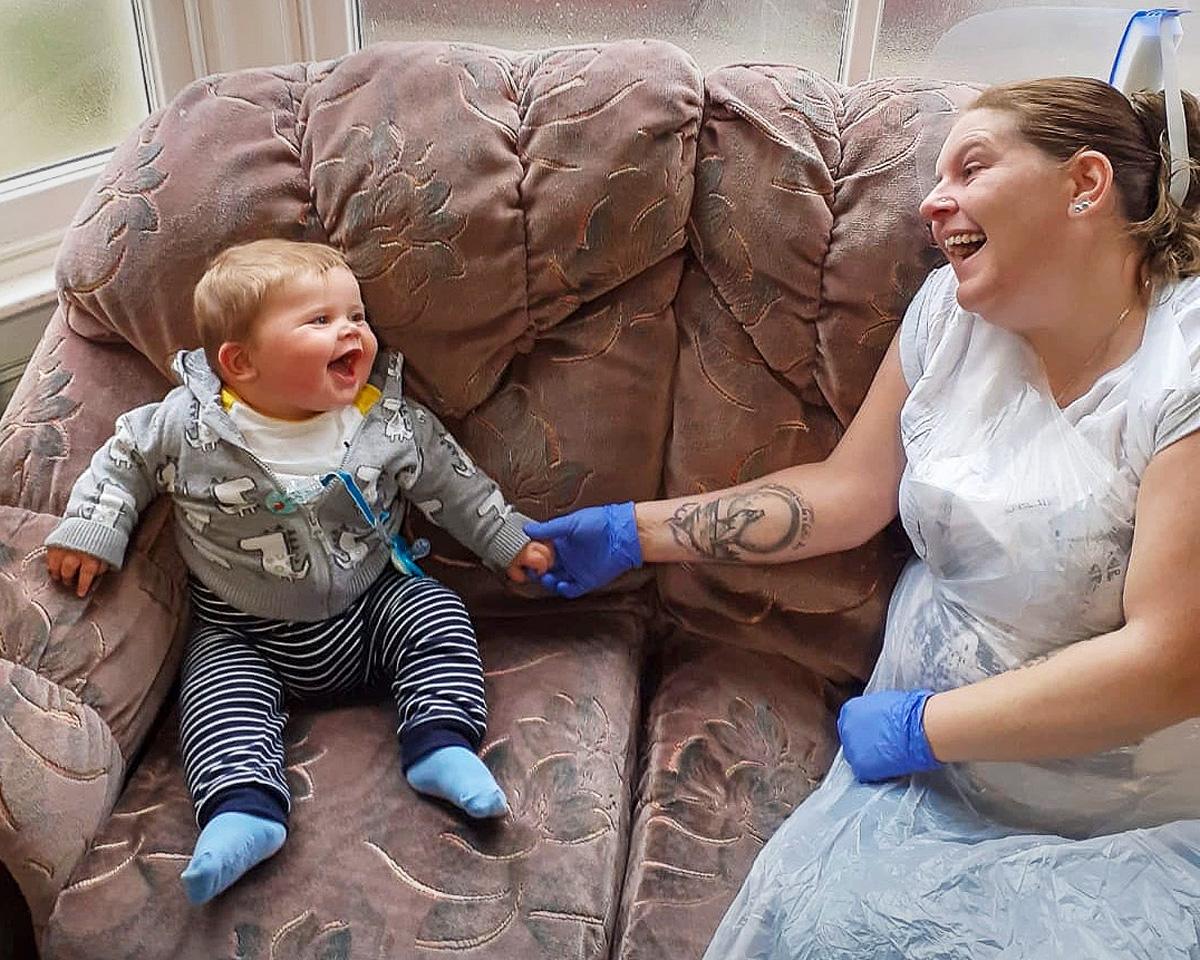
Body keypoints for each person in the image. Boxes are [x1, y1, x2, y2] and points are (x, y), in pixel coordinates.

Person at [524, 77, 1200, 957]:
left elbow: (1171, 665)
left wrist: (923, 728)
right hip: (919, 782)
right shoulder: (951, 320)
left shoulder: (1180, 374)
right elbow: (848, 493)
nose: (930, 200)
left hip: (1114, 823)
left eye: (972, 165)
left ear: (1084, 183)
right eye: (933, 174)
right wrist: (629, 531)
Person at [44, 239, 553, 906]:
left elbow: (455, 485)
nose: (351, 331)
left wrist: (506, 541)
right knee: (217, 696)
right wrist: (92, 530)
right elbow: (121, 463)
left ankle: (440, 742)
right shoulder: (187, 427)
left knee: (436, 614)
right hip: (244, 632)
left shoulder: (386, 421)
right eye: (319, 321)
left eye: (357, 316)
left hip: (372, 606)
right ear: (240, 362)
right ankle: (243, 809)